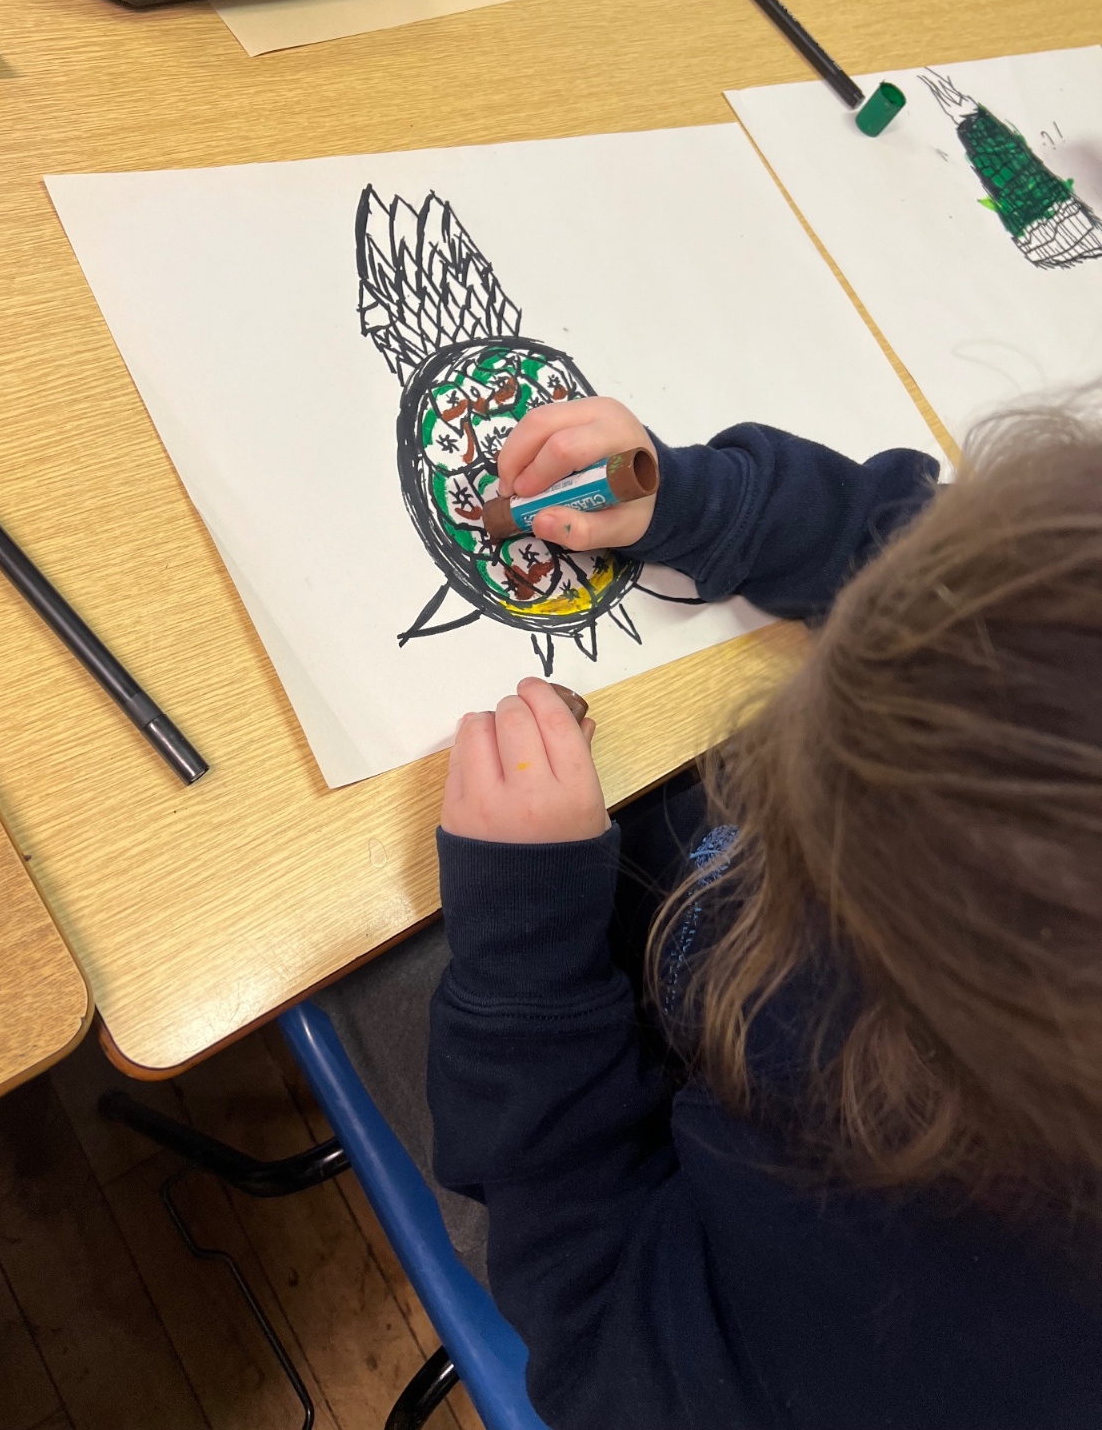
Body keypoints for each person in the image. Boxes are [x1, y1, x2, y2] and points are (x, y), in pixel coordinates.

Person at [427, 394, 1102, 1430]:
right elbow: (921, 558)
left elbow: (602, 1324)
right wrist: (705, 504)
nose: (773, 721)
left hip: (578, 1084)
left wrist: (526, 943)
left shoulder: (934, 1321)